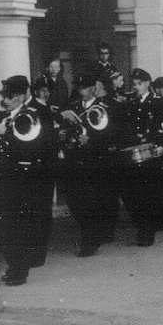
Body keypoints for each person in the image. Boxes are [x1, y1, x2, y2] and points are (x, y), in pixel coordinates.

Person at [0, 75, 57, 285]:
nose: (5, 100)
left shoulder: (30, 116)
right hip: (6, 177)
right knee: (8, 225)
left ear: (19, 96)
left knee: (20, 226)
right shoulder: (5, 115)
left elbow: (33, 147)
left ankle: (19, 270)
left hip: (24, 178)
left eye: (9, 97)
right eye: (4, 96)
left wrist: (5, 134)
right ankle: (16, 266)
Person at [59, 75, 119, 256]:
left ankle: (90, 241)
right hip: (75, 159)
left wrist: (91, 140)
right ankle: (93, 234)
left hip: (95, 160)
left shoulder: (104, 107)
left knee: (92, 202)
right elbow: (67, 128)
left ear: (93, 88)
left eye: (84, 88)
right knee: (75, 201)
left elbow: (111, 134)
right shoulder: (74, 107)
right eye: (79, 88)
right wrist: (63, 132)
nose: (81, 91)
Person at [121, 69, 163, 246]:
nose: (136, 87)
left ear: (147, 83)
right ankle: (141, 225)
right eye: (134, 84)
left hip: (152, 154)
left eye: (139, 84)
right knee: (133, 194)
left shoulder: (159, 103)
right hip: (135, 154)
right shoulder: (132, 103)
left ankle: (147, 231)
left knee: (148, 195)